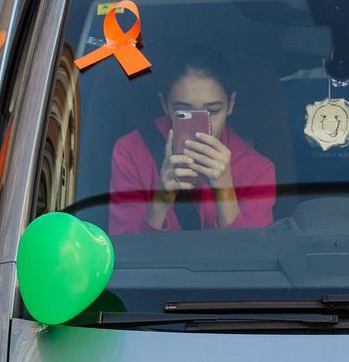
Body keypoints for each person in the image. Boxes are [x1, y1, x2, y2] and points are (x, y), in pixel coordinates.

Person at [109, 45, 275, 233]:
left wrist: (225, 192)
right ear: (165, 104)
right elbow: (126, 252)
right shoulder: (131, 152)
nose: (199, 129)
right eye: (184, 112)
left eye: (211, 111)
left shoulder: (257, 170)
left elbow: (254, 257)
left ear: (231, 104)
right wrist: (161, 200)